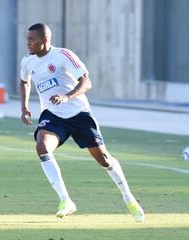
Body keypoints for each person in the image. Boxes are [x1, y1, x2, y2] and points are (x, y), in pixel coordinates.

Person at [20, 23, 144, 222]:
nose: (27, 42)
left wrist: (67, 97)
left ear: (44, 40)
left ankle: (128, 197)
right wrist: (24, 107)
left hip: (79, 114)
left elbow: (86, 82)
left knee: (103, 159)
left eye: (31, 39)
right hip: (53, 116)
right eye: (27, 39)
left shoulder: (63, 56)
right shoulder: (28, 62)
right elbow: (24, 81)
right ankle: (65, 200)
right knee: (42, 147)